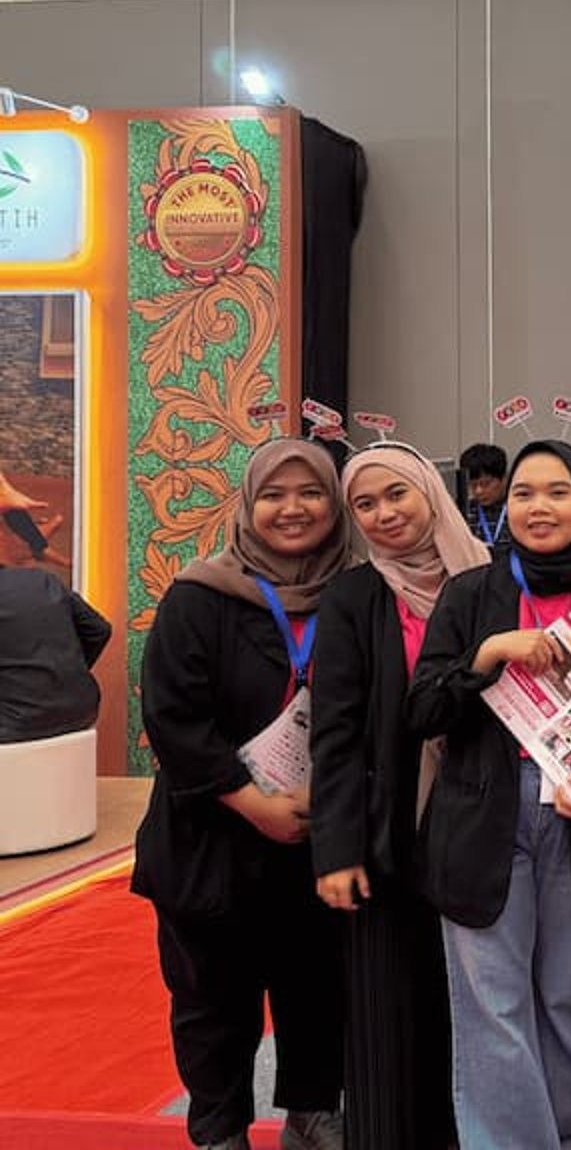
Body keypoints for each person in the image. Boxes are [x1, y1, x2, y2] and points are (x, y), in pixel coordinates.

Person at [408, 440, 571, 1150]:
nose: (539, 507)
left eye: (558, 491)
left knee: (563, 998)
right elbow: (423, 710)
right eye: (525, 493)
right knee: (493, 1005)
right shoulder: (472, 594)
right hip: (483, 815)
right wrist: (487, 656)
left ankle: (569, 1136)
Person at [130, 439, 352, 1150]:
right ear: (248, 505)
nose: (293, 509)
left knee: (317, 987)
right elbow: (172, 716)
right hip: (210, 838)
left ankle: (312, 1112)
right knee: (212, 999)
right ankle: (219, 1129)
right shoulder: (199, 595)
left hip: (318, 835)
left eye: (310, 493)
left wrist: (328, 793)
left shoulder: (359, 593)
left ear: (334, 503)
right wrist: (252, 802)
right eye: (274, 495)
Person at [309, 442, 491, 1150]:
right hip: (388, 834)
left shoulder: (489, 584)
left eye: (396, 495)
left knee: (474, 1010)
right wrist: (336, 849)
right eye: (364, 504)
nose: (383, 514)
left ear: (430, 495)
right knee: (385, 1010)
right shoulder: (353, 598)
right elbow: (335, 732)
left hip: (480, 827)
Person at [0, 561, 110, 742]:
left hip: (17, 725)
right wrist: (71, 668)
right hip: (82, 713)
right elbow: (99, 629)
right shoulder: (43, 579)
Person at [460, 442, 510, 548]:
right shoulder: (464, 511)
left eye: (486, 484)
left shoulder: (517, 508)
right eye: (473, 485)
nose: (478, 491)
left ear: (504, 479)